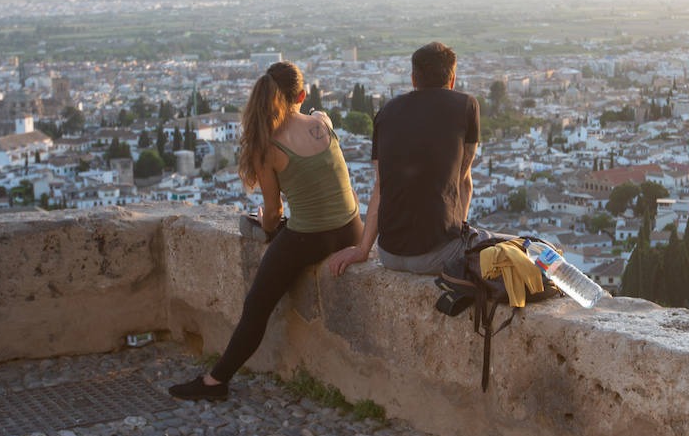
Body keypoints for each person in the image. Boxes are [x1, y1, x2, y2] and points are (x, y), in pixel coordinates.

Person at [170, 62, 361, 401]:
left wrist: (267, 223)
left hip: (311, 236)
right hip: (351, 231)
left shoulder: (267, 146)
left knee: (257, 304)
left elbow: (273, 214)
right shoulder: (322, 123)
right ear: (301, 95)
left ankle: (215, 382)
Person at [329, 41, 481, 278]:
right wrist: (456, 235)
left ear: (413, 79)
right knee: (515, 249)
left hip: (389, 254)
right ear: (452, 80)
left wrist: (362, 249)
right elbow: (463, 182)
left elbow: (381, 186)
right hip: (438, 255)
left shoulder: (386, 112)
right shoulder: (466, 106)